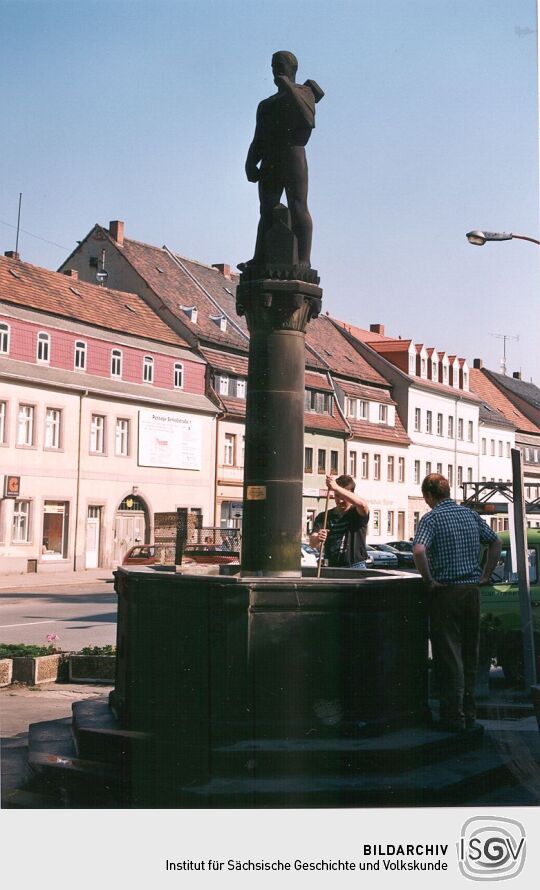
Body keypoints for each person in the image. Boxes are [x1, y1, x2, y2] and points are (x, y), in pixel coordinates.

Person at [413, 473, 502, 732]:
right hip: (471, 591)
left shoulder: (431, 518)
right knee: (469, 653)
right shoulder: (470, 515)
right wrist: (485, 574)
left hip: (446, 593)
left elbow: (419, 550)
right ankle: (470, 714)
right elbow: (495, 542)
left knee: (449, 656)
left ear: (428, 495)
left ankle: (454, 717)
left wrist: (429, 580)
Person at [245, 50, 323, 267]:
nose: (275, 69)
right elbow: (258, 136)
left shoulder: (305, 93)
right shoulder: (266, 105)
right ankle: (260, 257)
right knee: (267, 209)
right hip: (270, 157)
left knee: (298, 206)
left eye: (280, 64)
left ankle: (304, 260)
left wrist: (288, 86)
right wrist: (251, 161)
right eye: (273, 65)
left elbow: (307, 120)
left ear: (293, 69)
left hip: (293, 154)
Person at [310, 474, 370, 568]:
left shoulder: (358, 513)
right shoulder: (324, 516)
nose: (340, 500)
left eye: (344, 497)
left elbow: (362, 504)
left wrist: (336, 488)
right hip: (331, 566)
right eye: (337, 496)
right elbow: (312, 543)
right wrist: (318, 537)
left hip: (356, 565)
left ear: (351, 495)